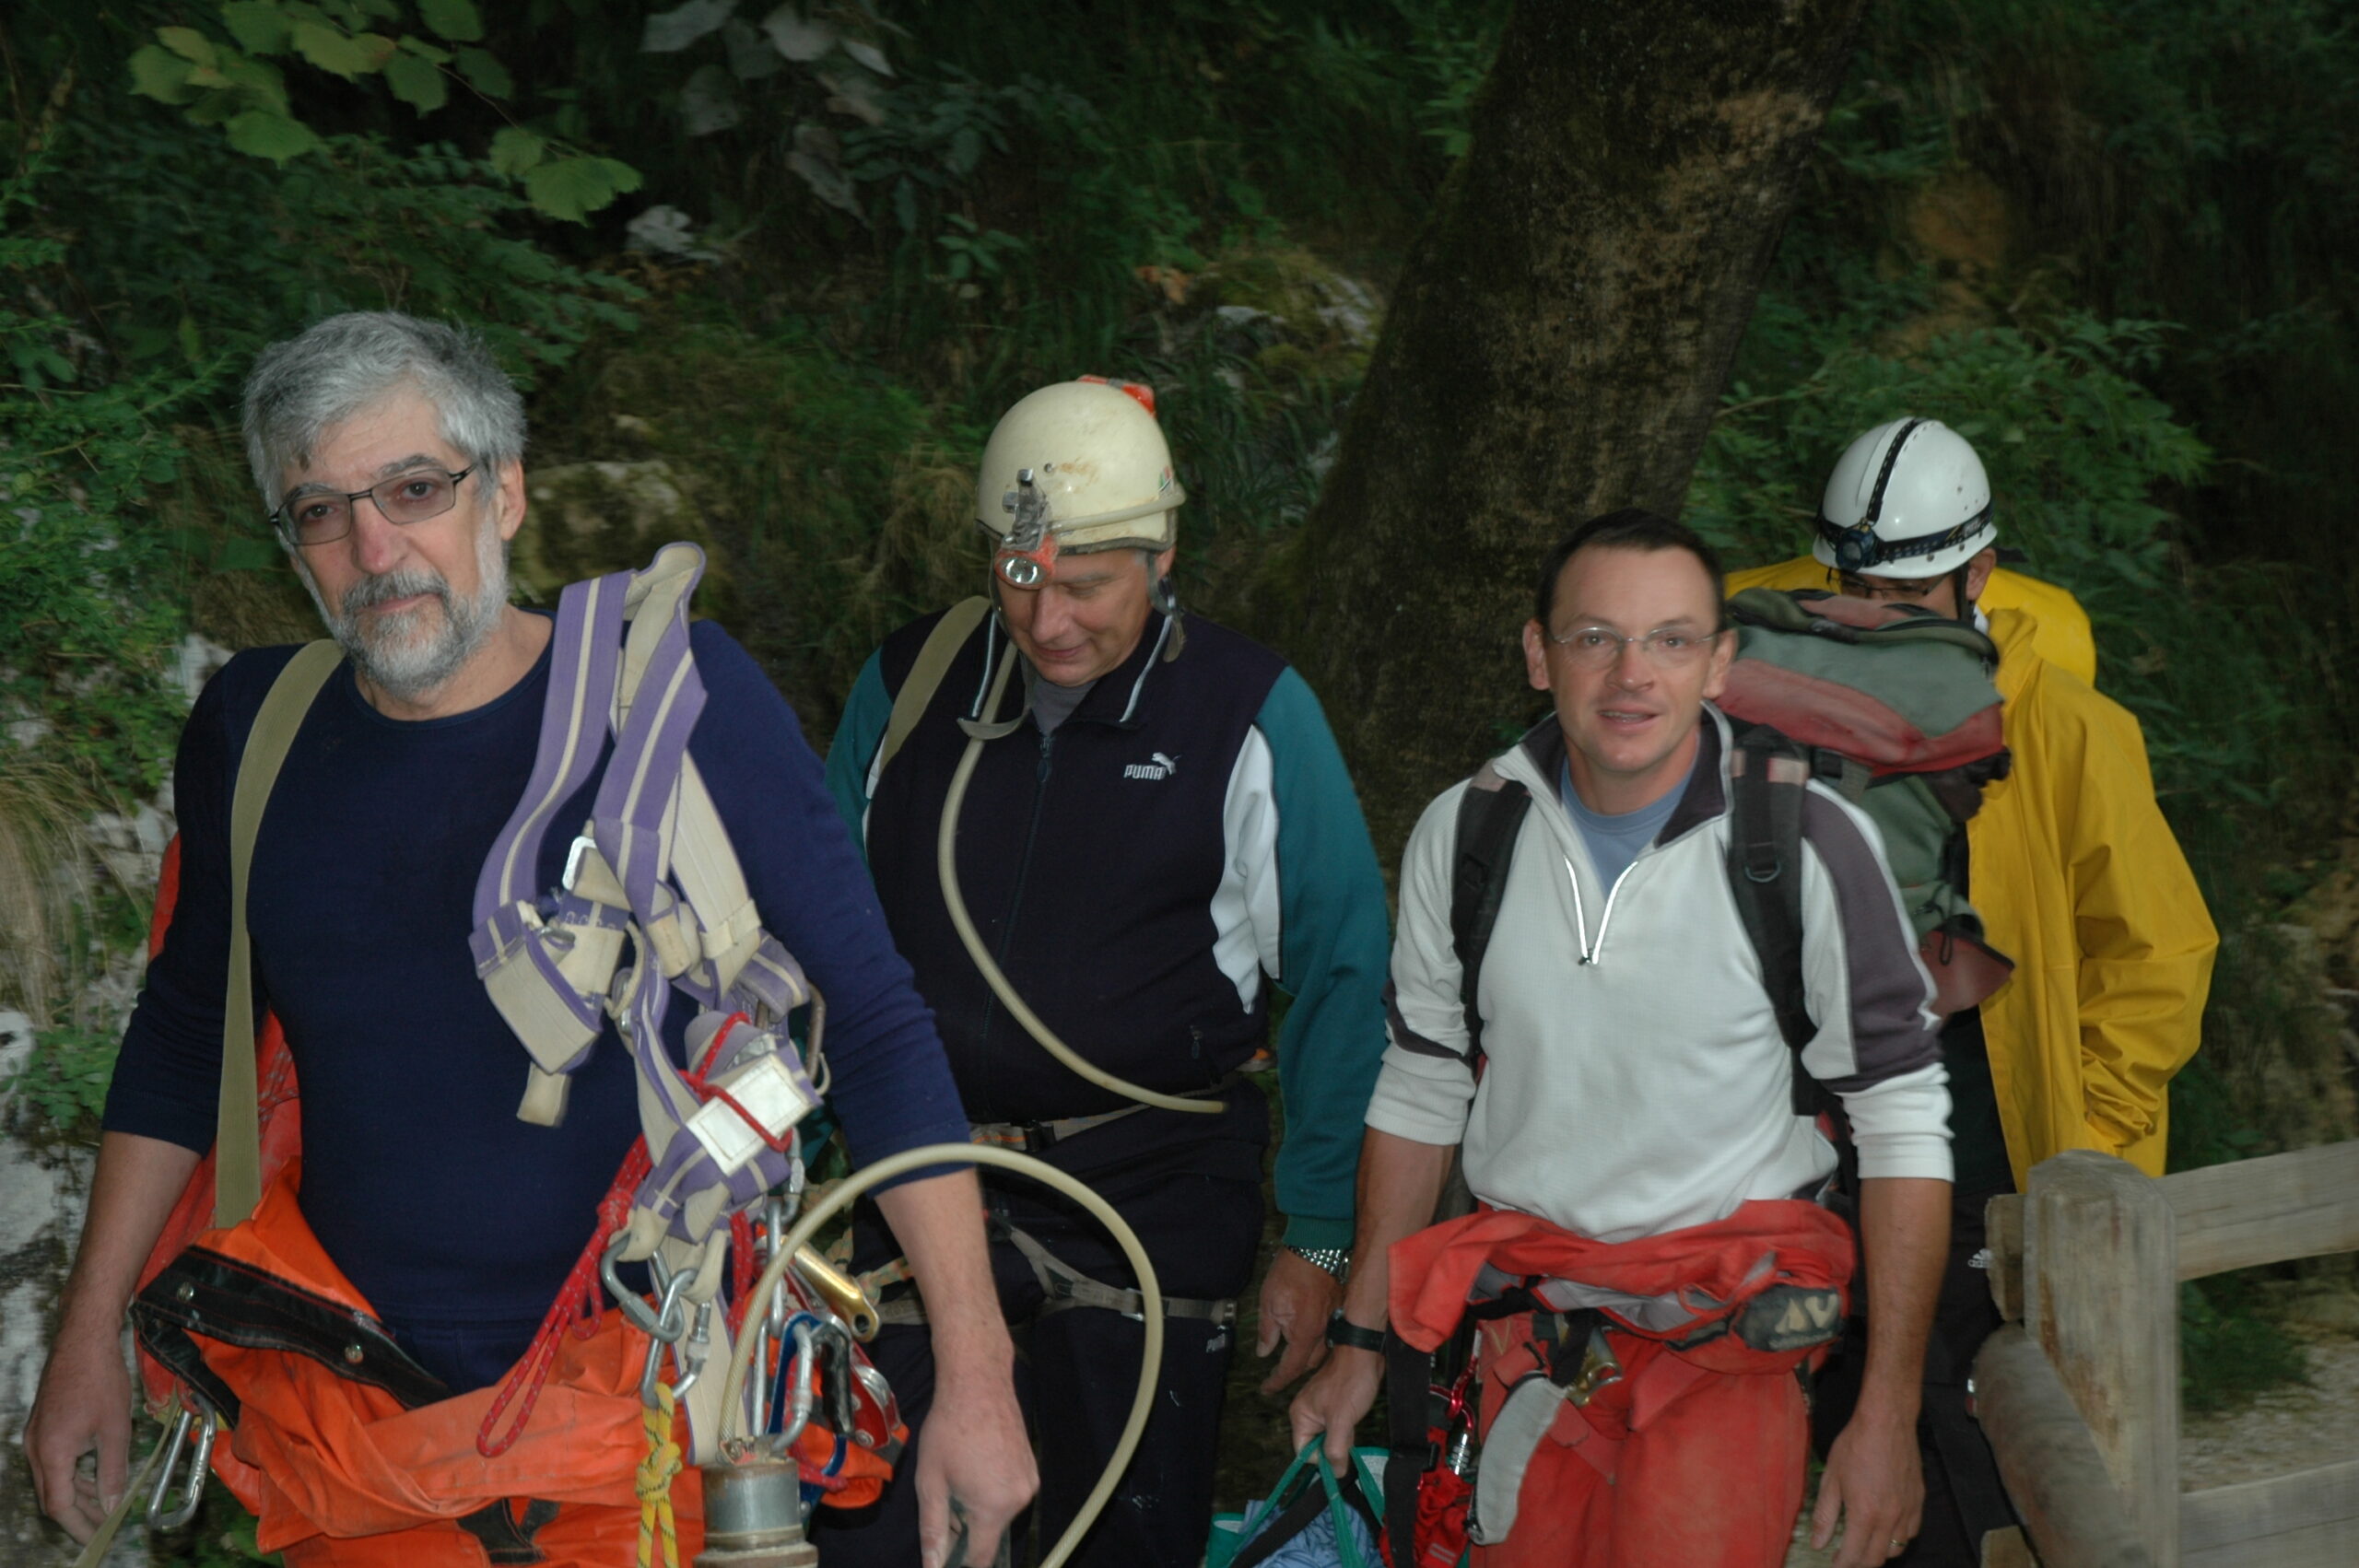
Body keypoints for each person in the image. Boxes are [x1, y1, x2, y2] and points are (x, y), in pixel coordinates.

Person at [23, 311, 1033, 1568]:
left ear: (503, 491)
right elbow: (183, 1037)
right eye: (321, 512)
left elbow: (876, 1027)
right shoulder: (254, 732)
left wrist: (977, 1376)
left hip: (649, 1423)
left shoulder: (677, 703)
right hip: (351, 1440)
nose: (375, 548)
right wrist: (88, 1336)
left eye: (413, 488)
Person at [1291, 509, 1955, 1568]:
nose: (1630, 674)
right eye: (1594, 636)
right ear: (1535, 651)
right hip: (1524, 1337)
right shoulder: (1467, 831)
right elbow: (1421, 1088)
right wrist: (1362, 1342)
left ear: (1721, 663)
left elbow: (1906, 1125)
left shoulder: (1808, 847)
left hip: (1724, 1347)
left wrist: (1887, 1415)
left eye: (1671, 639)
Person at [821, 379, 1392, 1566]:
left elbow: (1344, 973)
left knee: (1111, 1536)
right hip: (921, 1177)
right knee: (887, 1530)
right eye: (1021, 577)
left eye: (1088, 584)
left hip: (1150, 1188)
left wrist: (1322, 1239)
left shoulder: (1246, 712)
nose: (1049, 620)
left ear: (1164, 553)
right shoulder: (910, 687)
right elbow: (811, 939)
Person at [1726, 416, 2218, 1565]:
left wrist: (2078, 1146)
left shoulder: (2068, 732)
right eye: (1852, 590)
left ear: (1981, 574)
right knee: (1832, 1422)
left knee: (1977, 1443)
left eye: (1908, 594)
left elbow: (2157, 958)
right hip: (1821, 1141)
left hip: (1991, 1147)